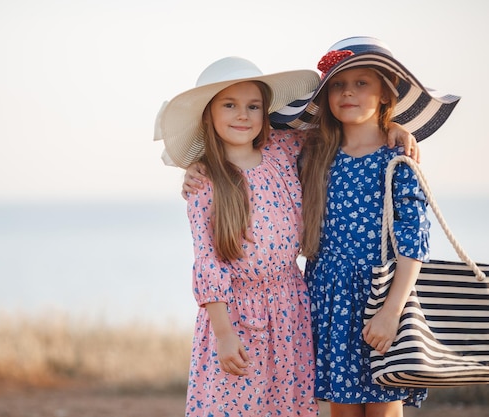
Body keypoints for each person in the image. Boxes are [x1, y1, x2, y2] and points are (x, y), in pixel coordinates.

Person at [297, 36, 459, 417]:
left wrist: (391, 311)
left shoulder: (397, 160)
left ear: (386, 94)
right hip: (331, 299)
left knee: (384, 407)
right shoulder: (313, 154)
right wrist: (199, 168)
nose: (347, 92)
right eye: (337, 84)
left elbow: (414, 241)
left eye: (361, 83)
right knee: (342, 410)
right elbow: (252, 152)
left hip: (382, 297)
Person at [154, 56, 321, 416]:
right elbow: (207, 264)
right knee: (233, 404)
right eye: (229, 105)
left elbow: (335, 130)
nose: (242, 115)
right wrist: (224, 335)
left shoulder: (281, 151)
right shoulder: (206, 183)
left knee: (284, 405)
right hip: (235, 316)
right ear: (208, 116)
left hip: (289, 307)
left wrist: (395, 131)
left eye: (253, 106)